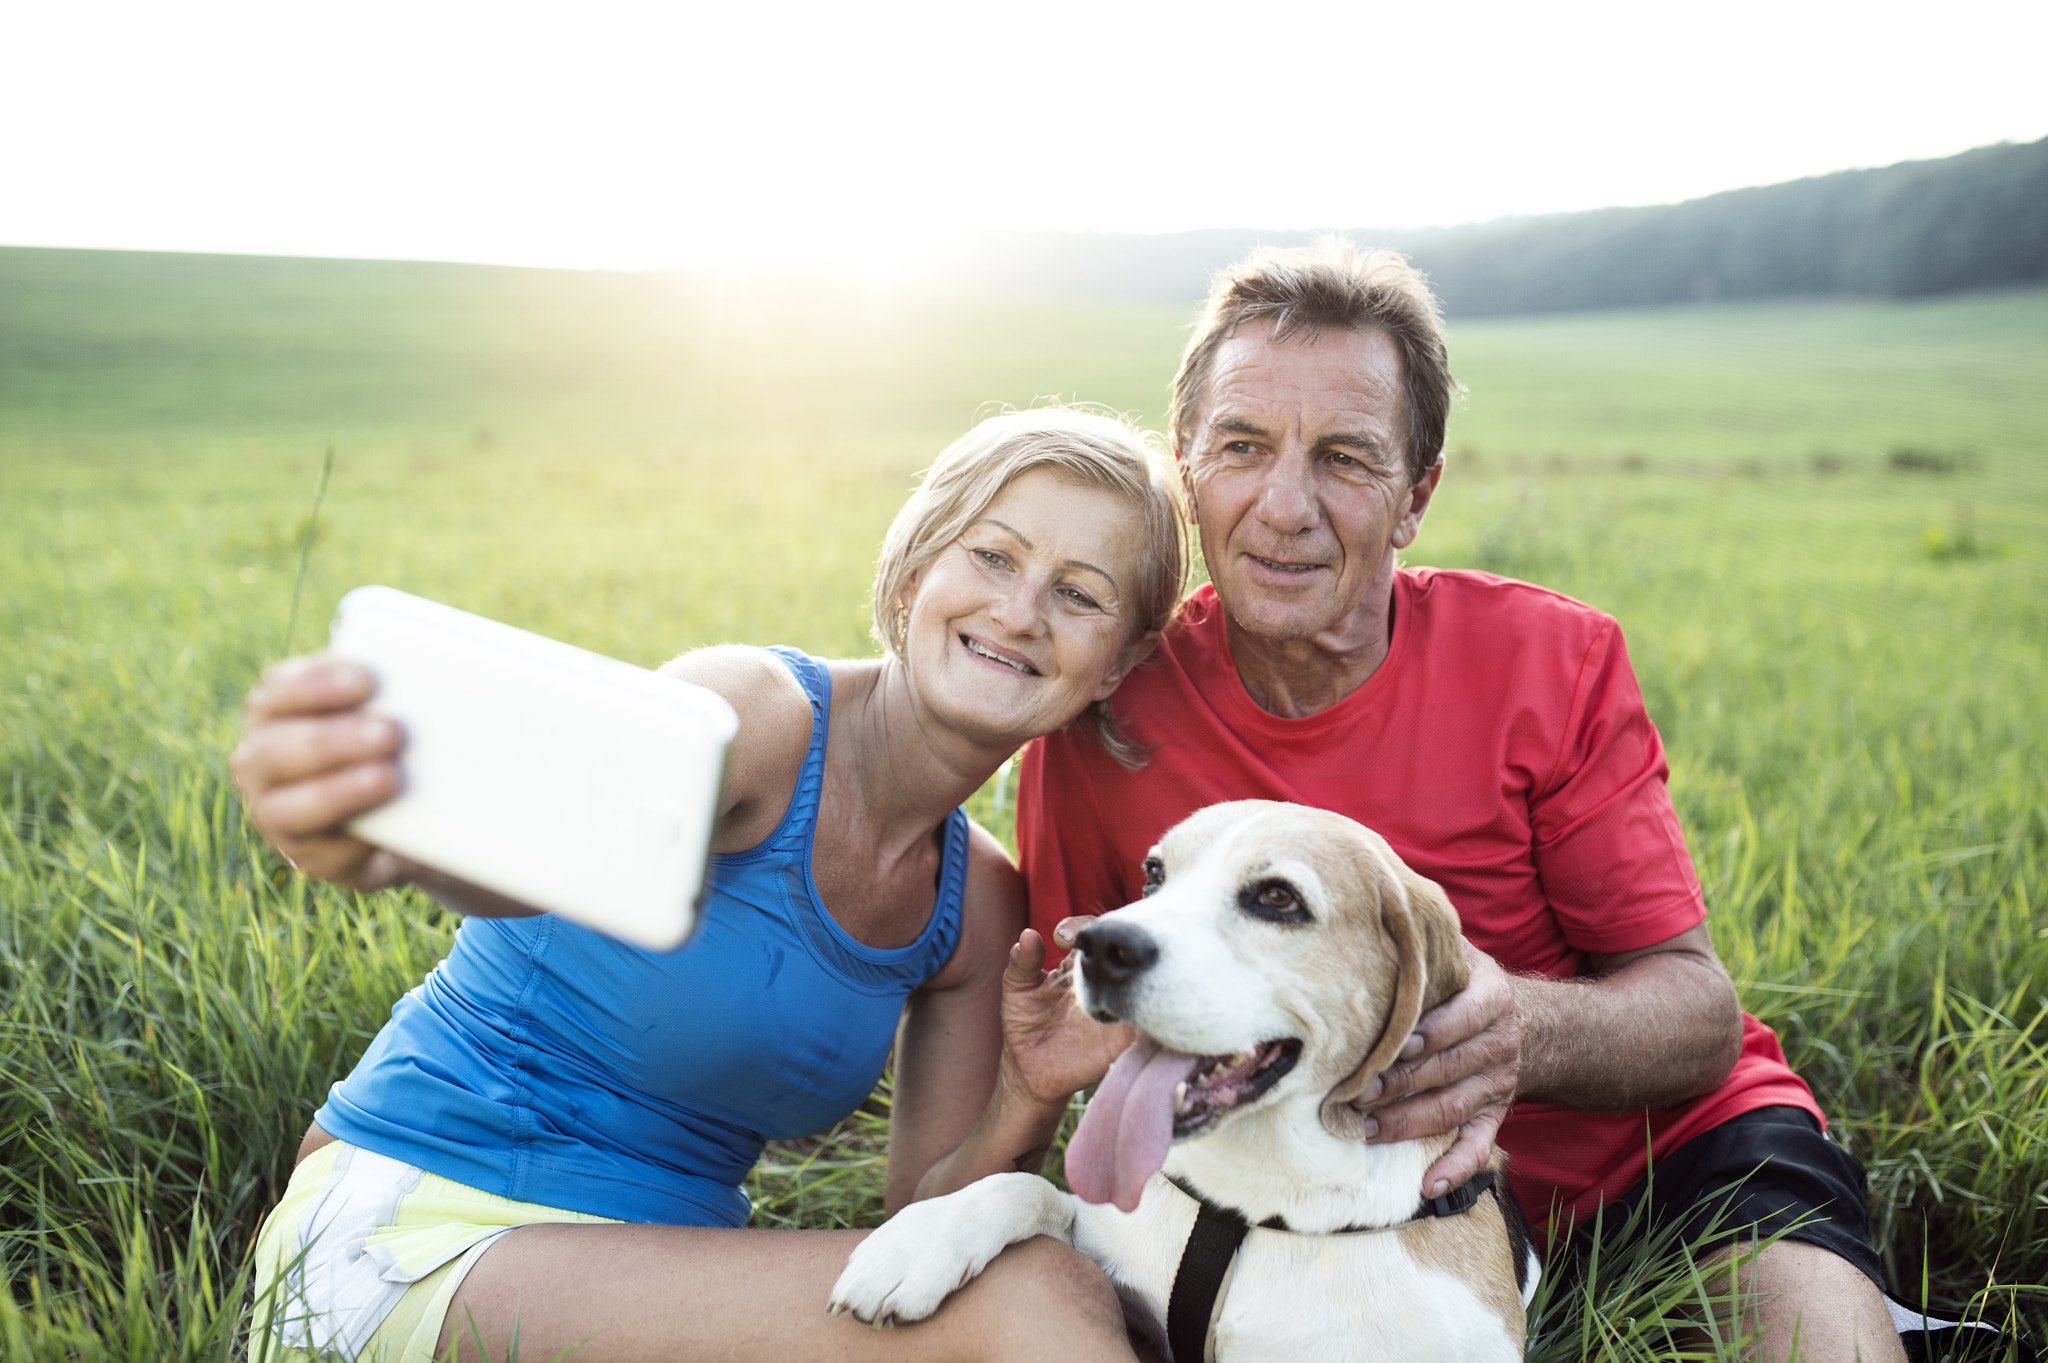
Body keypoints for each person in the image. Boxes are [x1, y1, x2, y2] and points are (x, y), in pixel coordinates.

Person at [1017, 243, 1910, 1363]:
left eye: (1344, 458)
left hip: (1655, 1166)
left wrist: (1512, 1032)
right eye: (1241, 447)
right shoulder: (1106, 712)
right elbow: (1073, 1023)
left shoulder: (1550, 658)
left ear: (1415, 496)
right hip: (1316, 1219)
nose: (1283, 505)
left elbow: (1696, 1012)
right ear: (1189, 466)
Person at [232, 407, 1183, 1363]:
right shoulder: (754, 716)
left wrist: (1024, 1091)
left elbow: (922, 1242)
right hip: (424, 1231)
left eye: (1079, 596)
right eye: (992, 556)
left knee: (994, 1276)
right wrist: (397, 839)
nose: (1020, 612)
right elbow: (537, 848)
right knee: (1036, 1294)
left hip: (647, 1279)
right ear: (917, 565)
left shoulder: (976, 904)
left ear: (1122, 662)